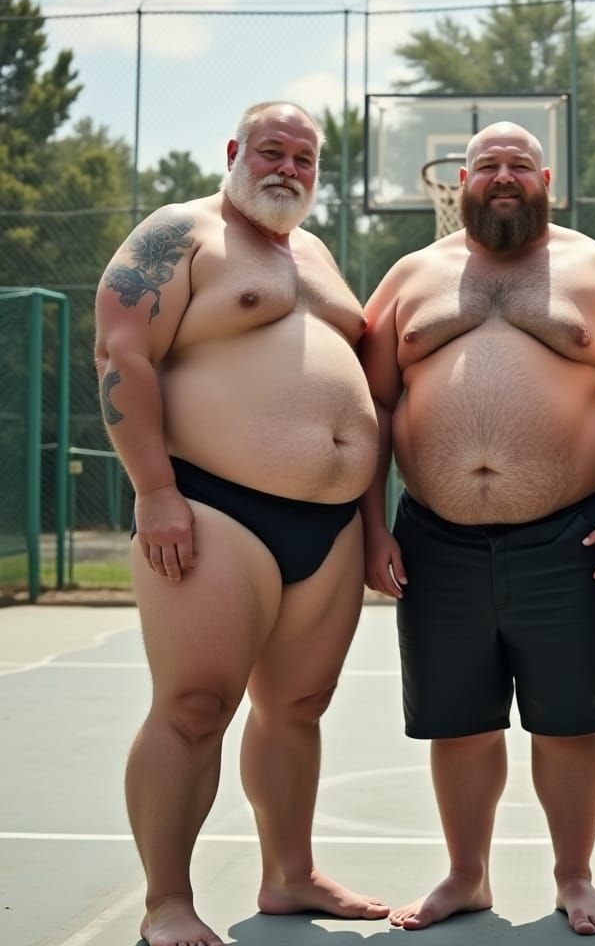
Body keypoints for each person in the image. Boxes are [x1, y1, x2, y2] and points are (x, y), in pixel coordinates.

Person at [359, 121, 595, 935]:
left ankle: (575, 877)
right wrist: (371, 527)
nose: (504, 176)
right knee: (457, 720)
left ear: (546, 178)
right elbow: (370, 408)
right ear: (461, 179)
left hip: (573, 534)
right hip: (434, 536)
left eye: (519, 166)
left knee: (570, 719)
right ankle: (467, 876)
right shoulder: (410, 275)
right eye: (489, 164)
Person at [94, 101, 389, 946]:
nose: (288, 168)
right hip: (212, 504)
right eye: (272, 150)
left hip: (328, 525)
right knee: (193, 704)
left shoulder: (319, 256)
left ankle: (289, 875)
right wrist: (154, 491)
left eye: (304, 158)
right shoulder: (180, 232)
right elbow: (122, 353)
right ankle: (167, 903)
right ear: (234, 152)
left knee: (298, 705)